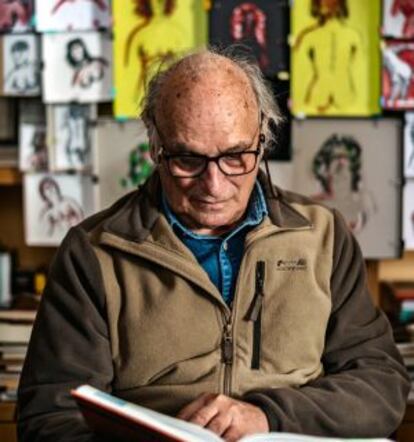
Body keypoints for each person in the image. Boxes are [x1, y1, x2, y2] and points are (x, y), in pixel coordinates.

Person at [17, 48, 409, 442]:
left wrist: (266, 417)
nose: (214, 186)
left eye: (236, 156)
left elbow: (381, 385)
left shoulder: (323, 236)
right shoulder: (95, 253)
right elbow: (51, 420)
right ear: (155, 144)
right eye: (188, 159)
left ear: (263, 137)